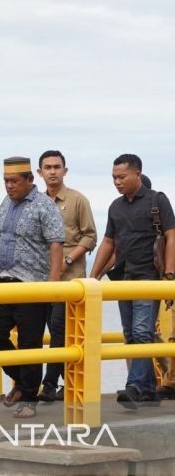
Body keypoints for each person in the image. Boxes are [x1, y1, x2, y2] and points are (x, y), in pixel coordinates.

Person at [90, 154, 175, 410]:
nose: (117, 181)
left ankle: (135, 386)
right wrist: (92, 277)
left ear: (137, 174)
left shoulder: (156, 200)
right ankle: (148, 390)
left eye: (122, 177)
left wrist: (169, 274)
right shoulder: (115, 207)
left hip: (149, 278)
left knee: (142, 332)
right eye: (114, 177)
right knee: (130, 335)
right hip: (124, 277)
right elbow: (108, 242)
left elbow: (171, 236)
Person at [0, 157, 64, 418]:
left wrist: (52, 285)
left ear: (30, 180)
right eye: (5, 181)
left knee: (30, 342)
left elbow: (56, 245)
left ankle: (28, 398)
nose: (9, 186)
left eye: (14, 181)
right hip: (3, 281)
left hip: (32, 284)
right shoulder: (5, 203)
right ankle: (21, 378)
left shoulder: (44, 206)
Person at [36, 151, 97, 403]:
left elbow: (90, 236)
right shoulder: (35, 202)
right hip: (41, 278)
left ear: (65, 170)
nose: (52, 171)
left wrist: (68, 259)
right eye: (47, 167)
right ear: (39, 172)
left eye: (57, 167)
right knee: (47, 330)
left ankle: (49, 383)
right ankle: (60, 382)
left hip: (70, 279)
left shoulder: (77, 200)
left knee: (61, 329)